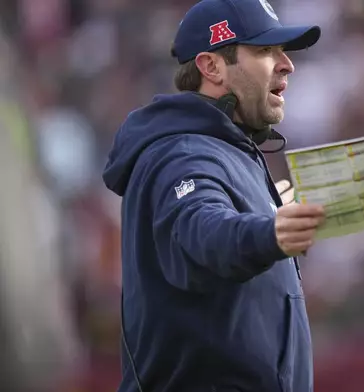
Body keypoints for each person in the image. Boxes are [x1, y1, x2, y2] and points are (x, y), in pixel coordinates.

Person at [101, 0, 325, 390]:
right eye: (264, 50)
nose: (287, 64)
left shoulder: (227, 153)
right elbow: (201, 235)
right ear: (212, 67)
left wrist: (268, 224)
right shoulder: (184, 152)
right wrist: (267, 233)